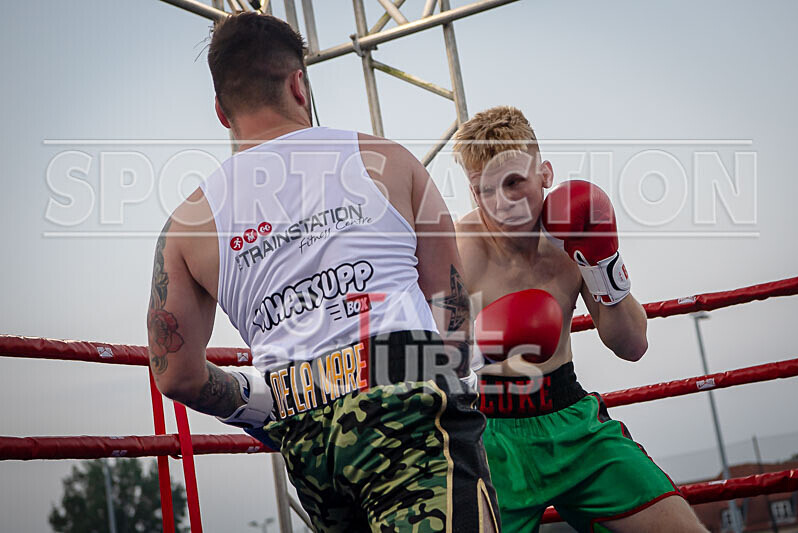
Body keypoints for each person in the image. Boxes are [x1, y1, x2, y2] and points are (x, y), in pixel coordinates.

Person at [146, 12, 500, 532]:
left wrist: (260, 399)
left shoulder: (187, 225)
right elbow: (457, 333)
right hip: (410, 409)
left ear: (221, 111)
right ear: (298, 84)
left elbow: (175, 374)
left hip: (305, 437)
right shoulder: (388, 161)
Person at [452, 106, 708, 532]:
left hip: (572, 421)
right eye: (484, 191)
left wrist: (602, 263)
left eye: (514, 183)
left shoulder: (573, 229)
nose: (501, 204)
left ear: (544, 174)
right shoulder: (457, 250)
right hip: (487, 435)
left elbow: (632, 346)